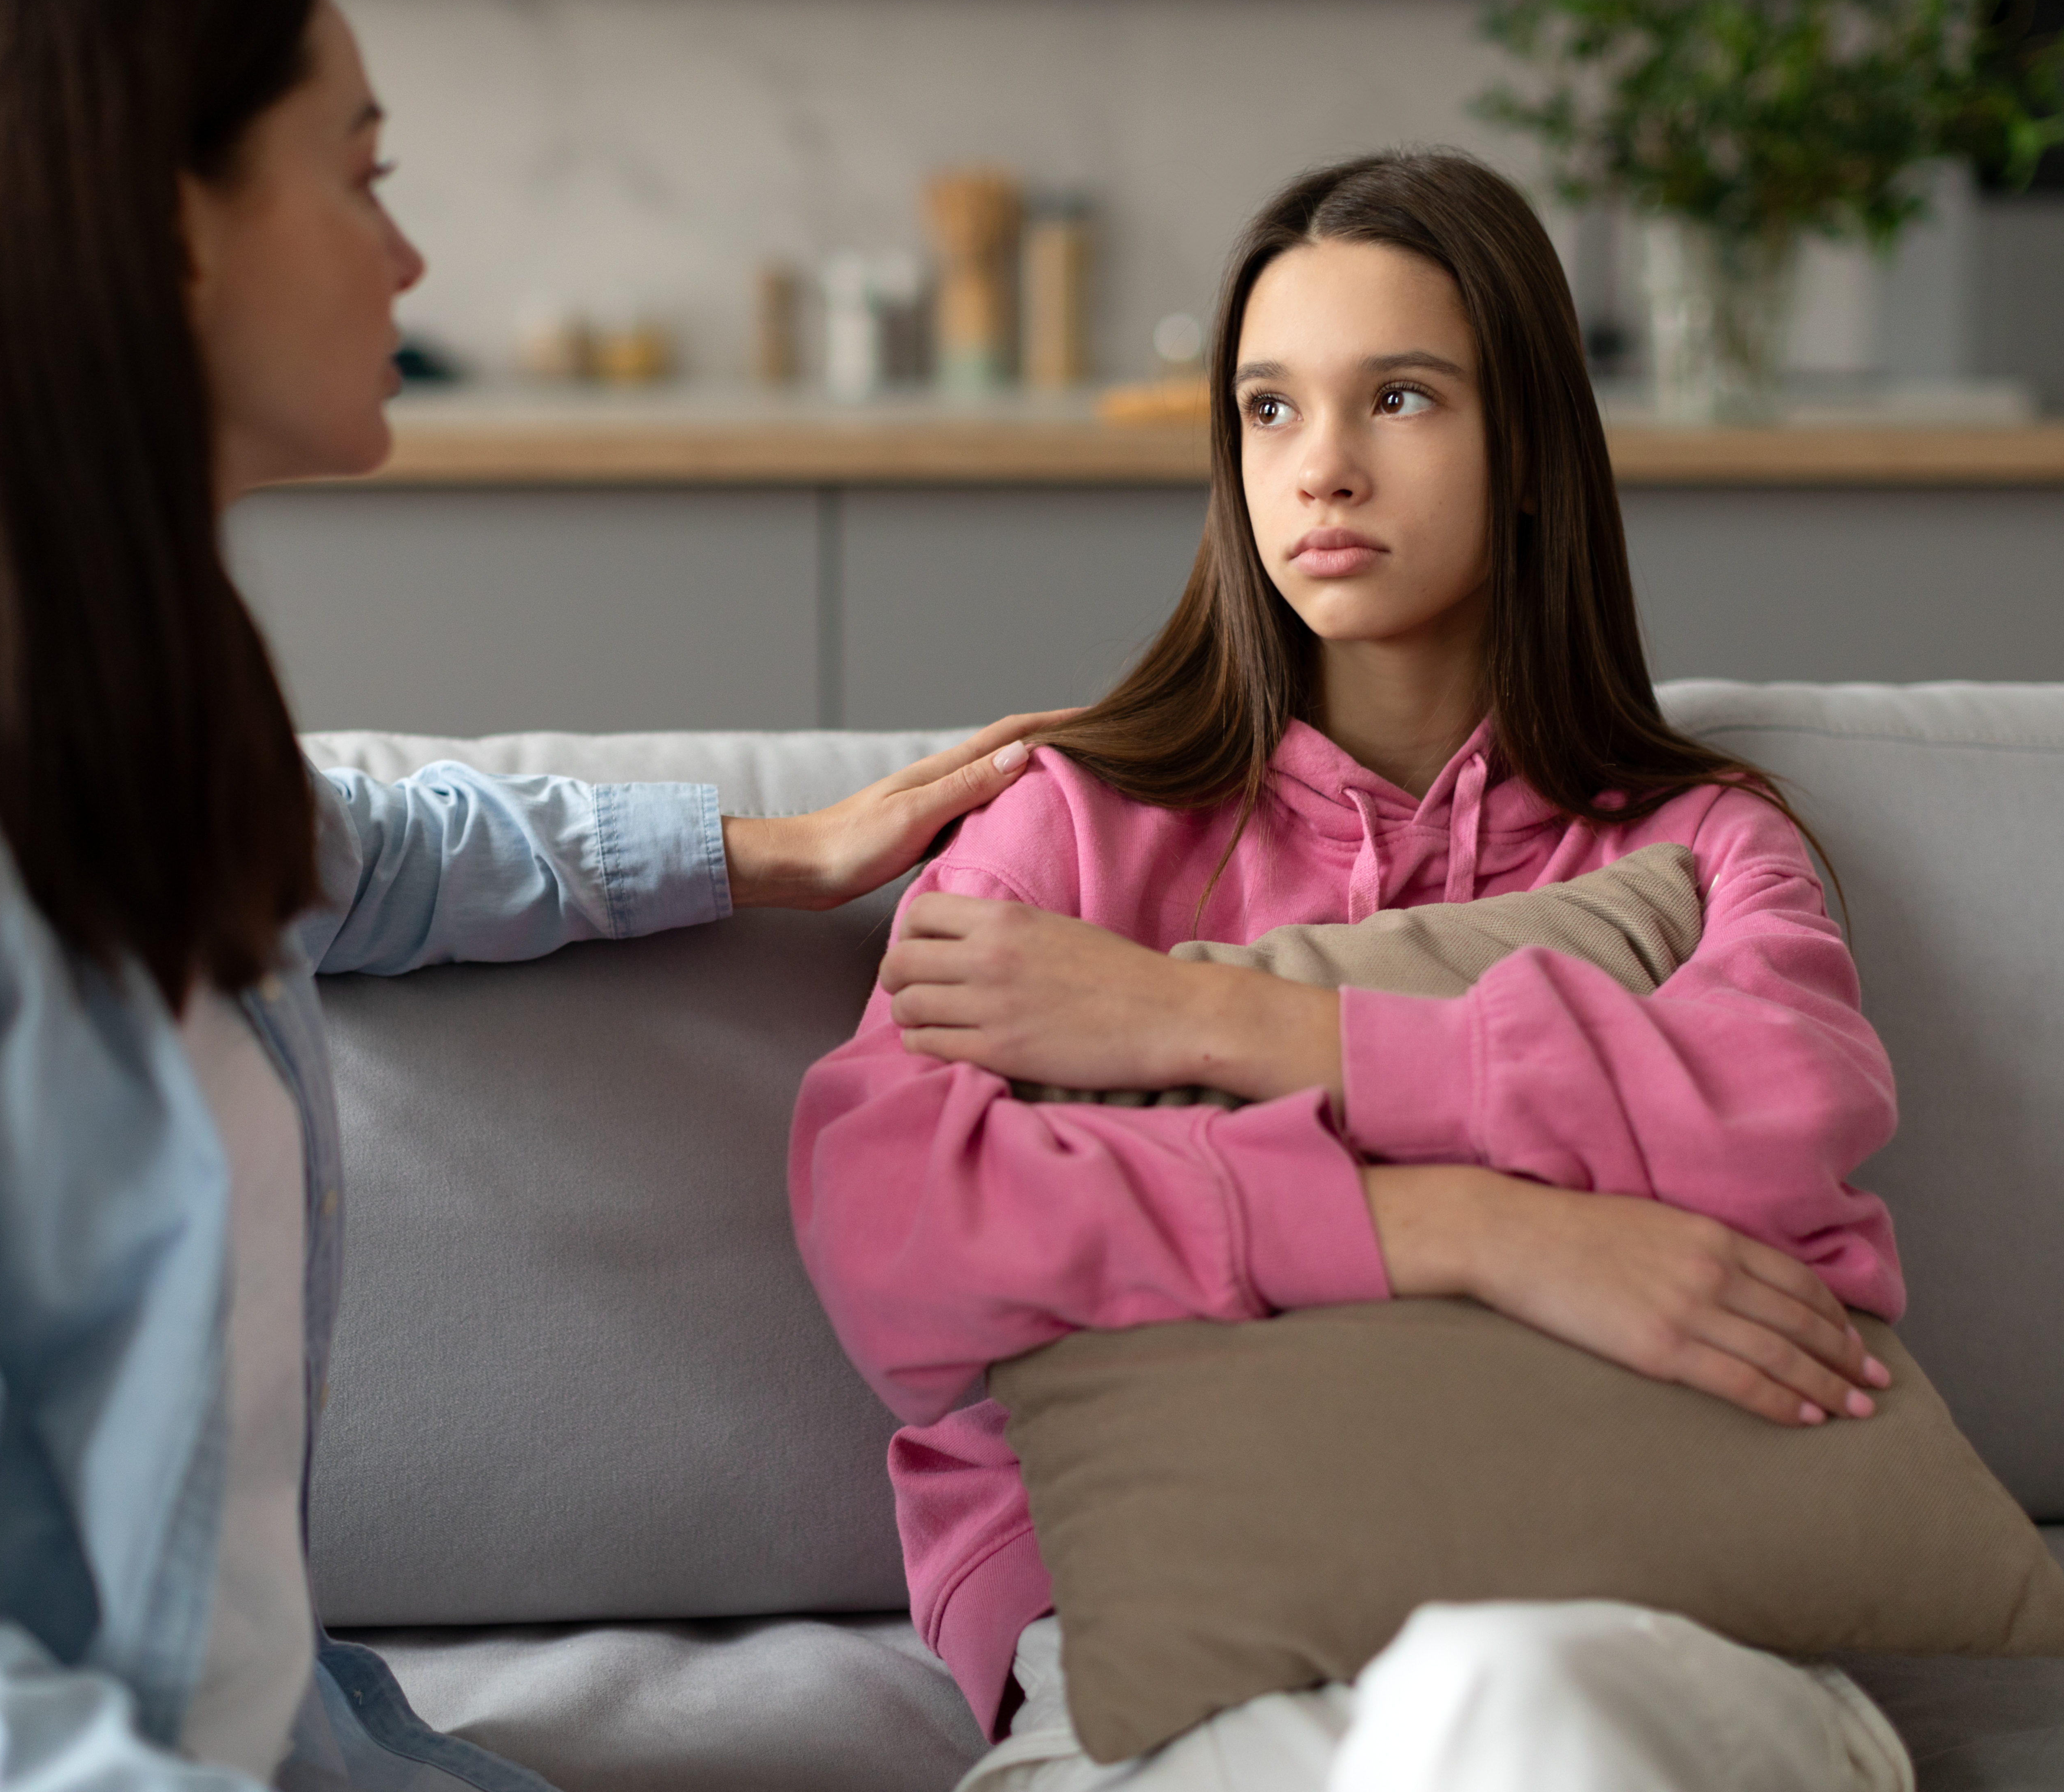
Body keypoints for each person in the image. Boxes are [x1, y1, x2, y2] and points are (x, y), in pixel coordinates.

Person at [0, 0, 1058, 1786]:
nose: (407, 263)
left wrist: (767, 854)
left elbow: (367, 852)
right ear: (170, 223)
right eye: (363, 176)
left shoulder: (103, 727)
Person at [790, 150, 1917, 1792]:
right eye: (1267, 408)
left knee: (1508, 1697)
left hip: (1624, 1623)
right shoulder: (1068, 827)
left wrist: (1221, 1023)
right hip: (1180, 1640)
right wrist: (1477, 1226)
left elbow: (1785, 1115)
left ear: (1528, 450)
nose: (1319, 468)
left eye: (1397, 398)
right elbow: (898, 1224)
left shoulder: (1700, 843)